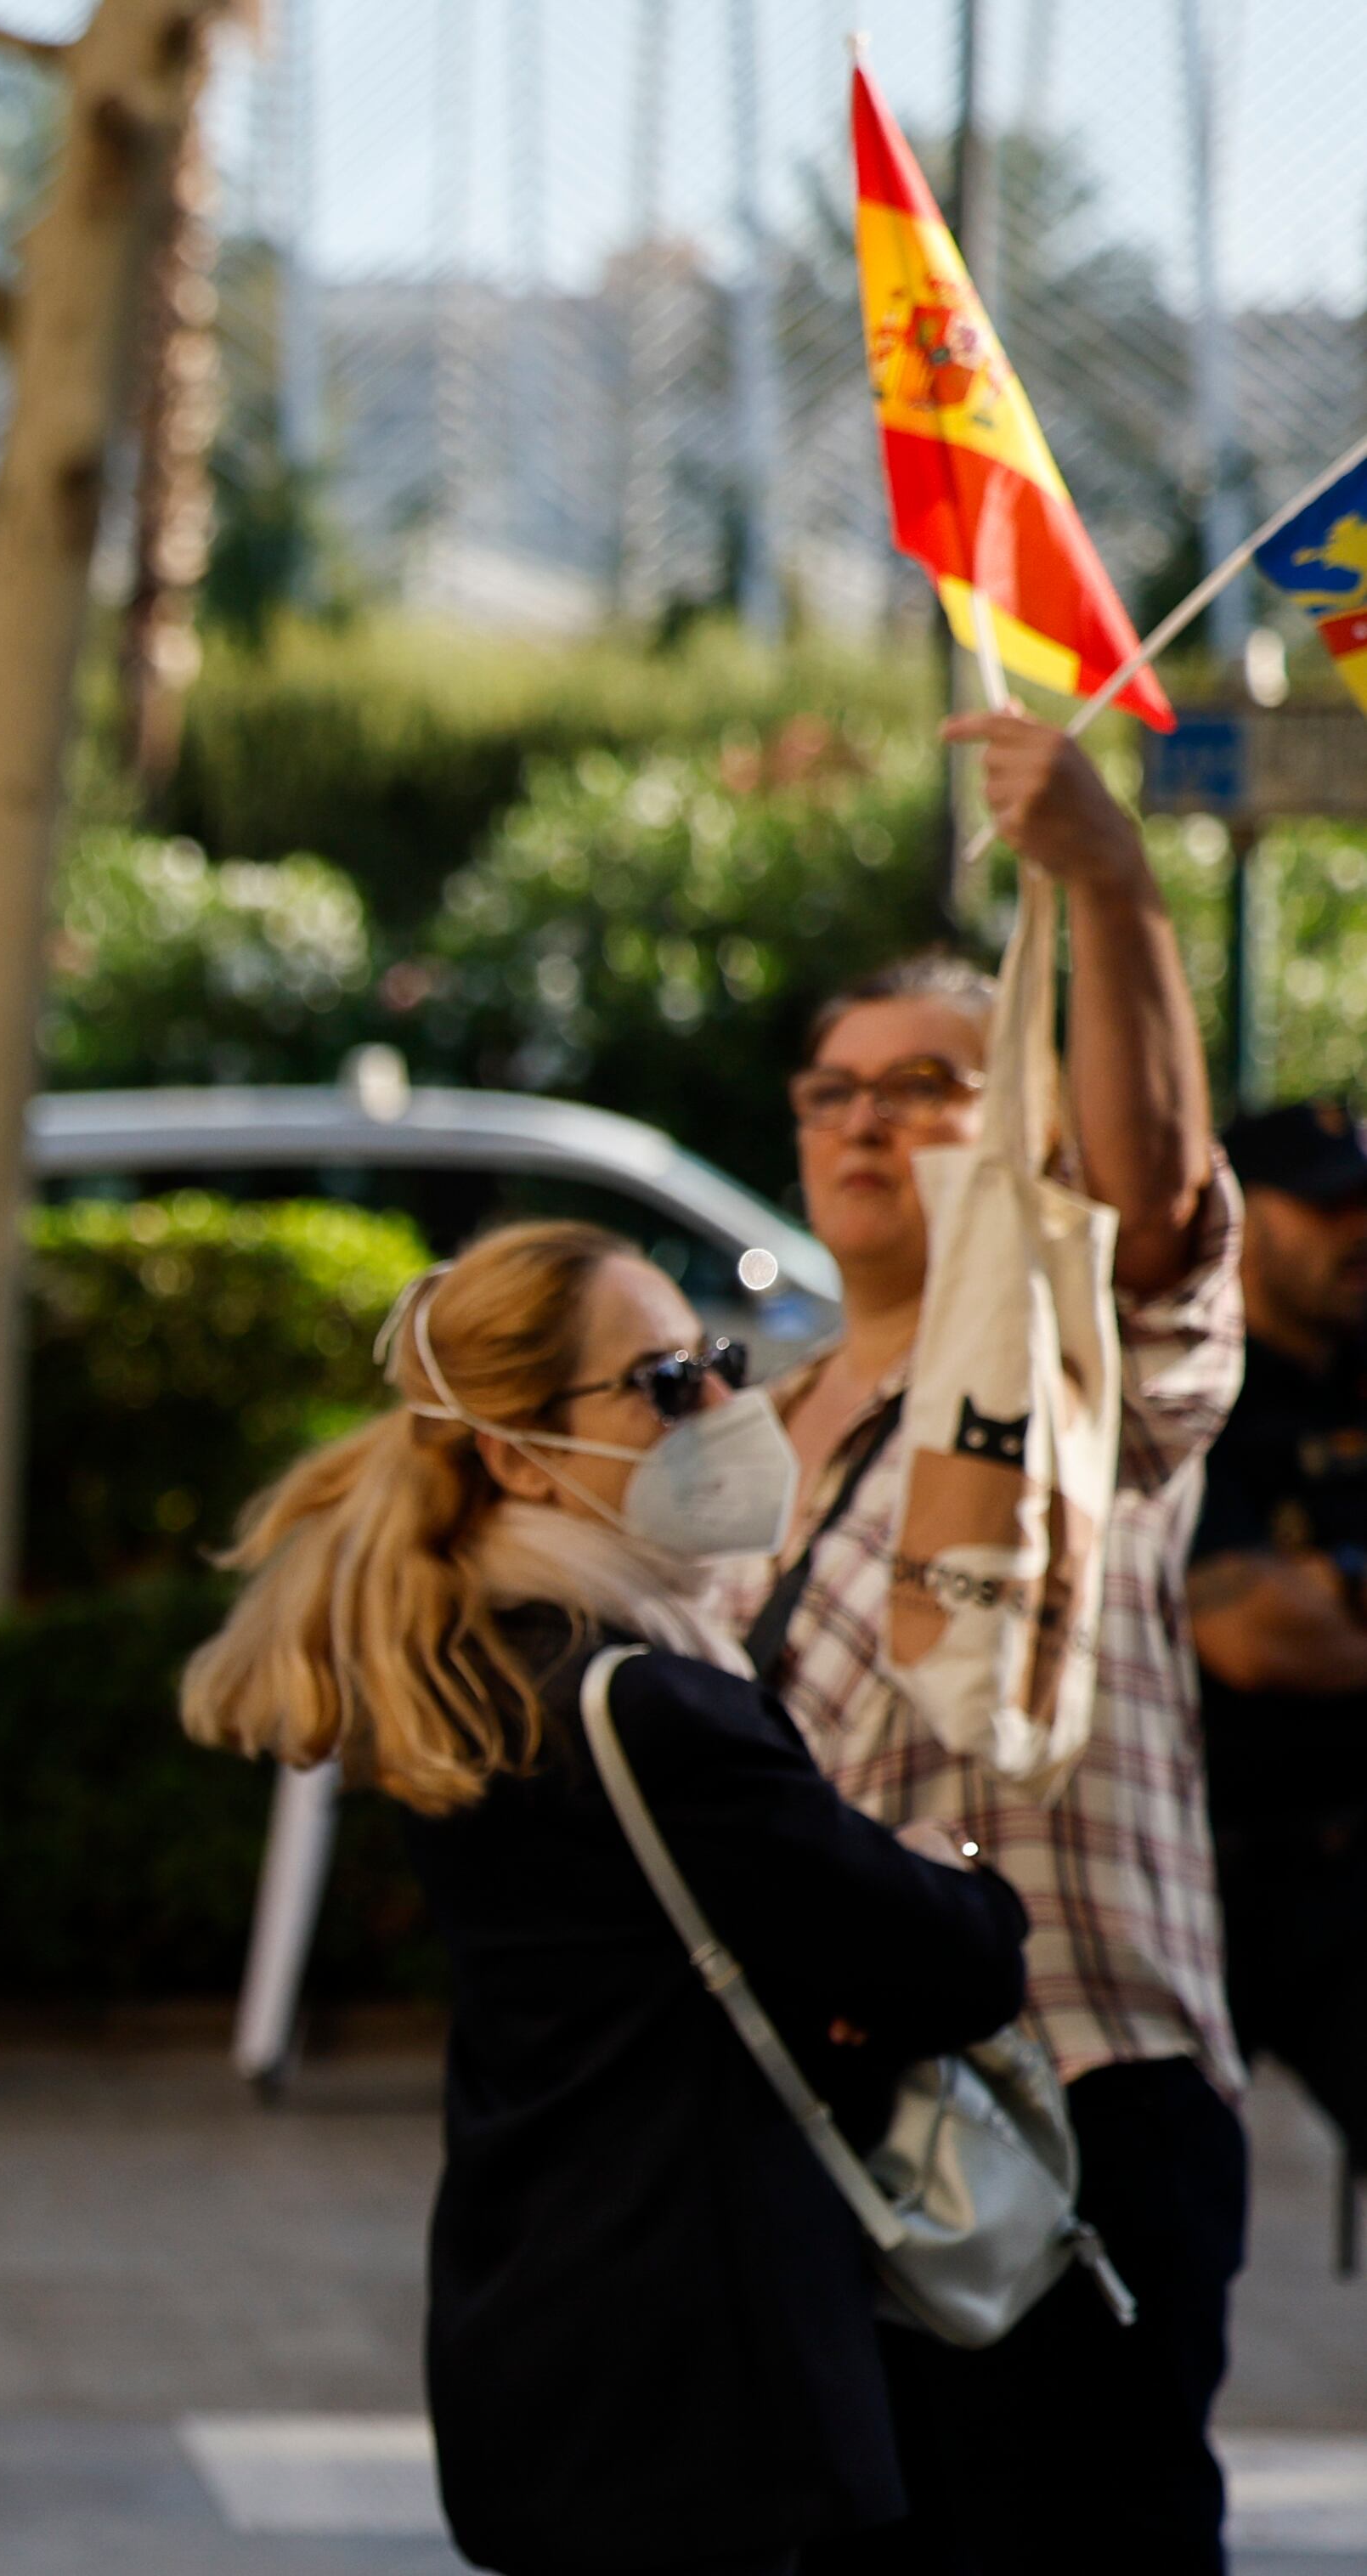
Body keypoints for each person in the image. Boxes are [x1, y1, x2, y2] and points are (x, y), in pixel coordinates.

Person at [184, 1222, 1030, 2575]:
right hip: (706, 2382)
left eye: (712, 1360)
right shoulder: (644, 1705)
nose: (717, 1403)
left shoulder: (492, 1672)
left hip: (551, 2336)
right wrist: (960, 1867)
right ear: (517, 1453)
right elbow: (951, 1965)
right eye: (659, 1380)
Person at [726, 711, 1244, 2570]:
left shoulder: (1071, 1357)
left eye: (932, 1082)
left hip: (1076, 2095)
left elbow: (1166, 1207)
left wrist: (1107, 885)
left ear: (1019, 1113)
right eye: (835, 1088)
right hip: (818, 2133)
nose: (869, 1117)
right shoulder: (742, 1436)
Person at [1184, 1100, 1367, 2168]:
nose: (1359, 1231)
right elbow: (1253, 1635)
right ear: (1245, 1220)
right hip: (1210, 1884)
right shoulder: (1188, 1392)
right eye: (1330, 1205)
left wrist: (1328, 1588)